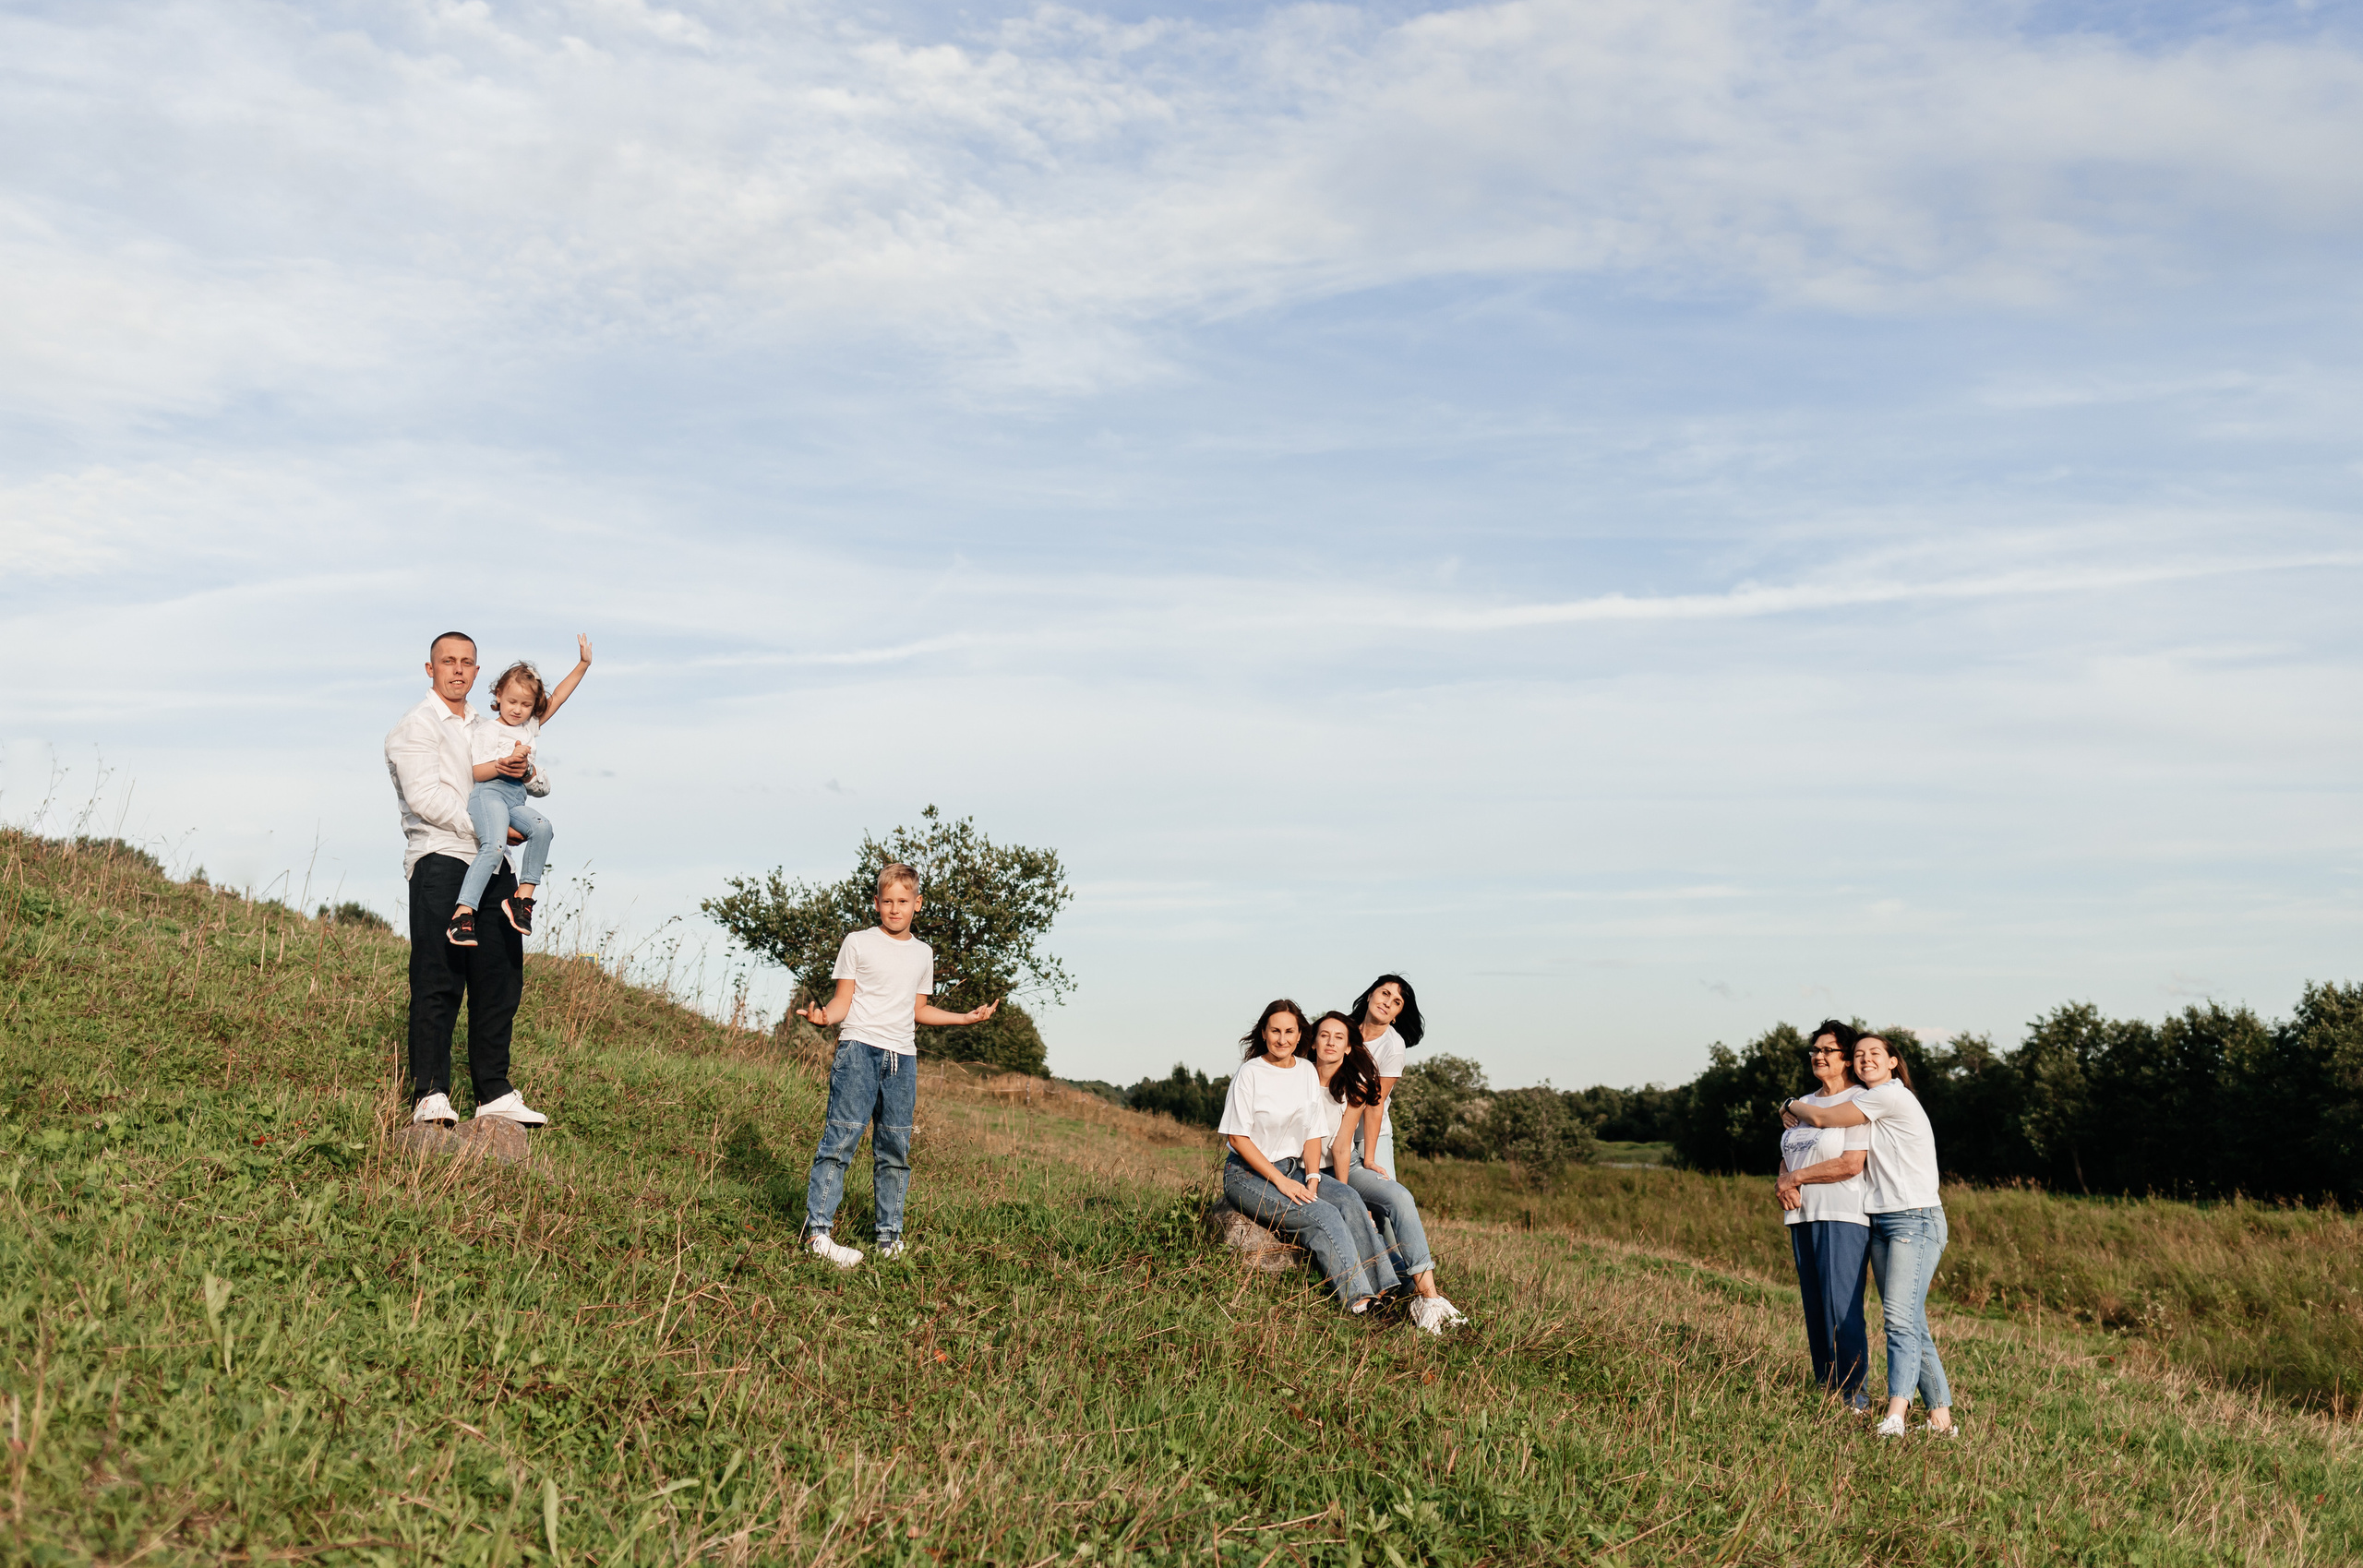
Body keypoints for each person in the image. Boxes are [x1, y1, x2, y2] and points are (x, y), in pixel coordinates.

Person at [794, 862, 1000, 1268]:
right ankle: (817, 1233)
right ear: (877, 903)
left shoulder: (923, 953)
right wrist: (825, 1018)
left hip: (902, 1059)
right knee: (842, 1140)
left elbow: (918, 1009)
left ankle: (889, 1239)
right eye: (887, 901)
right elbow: (843, 1000)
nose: (894, 908)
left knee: (895, 1149)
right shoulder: (858, 942)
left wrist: (964, 1018)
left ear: (917, 903)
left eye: (903, 901)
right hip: (859, 1050)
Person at [383, 631, 549, 1129]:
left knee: (501, 976)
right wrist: (495, 830)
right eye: (448, 661)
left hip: (493, 863)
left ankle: (493, 1091)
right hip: (440, 856)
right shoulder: (414, 726)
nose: (457, 669)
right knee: (439, 975)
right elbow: (426, 800)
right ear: (430, 668)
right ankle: (430, 1092)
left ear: (478, 672)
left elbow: (540, 719)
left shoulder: (487, 725)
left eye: (467, 662)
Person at [1785, 1033, 1959, 1439]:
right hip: (1881, 1219)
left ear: (1893, 1062)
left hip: (1914, 1218)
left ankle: (1896, 1415)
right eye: (1860, 1053)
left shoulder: (1887, 1095)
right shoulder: (1869, 1099)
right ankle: (1941, 1420)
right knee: (1912, 1321)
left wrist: (1788, 1104)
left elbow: (1824, 1120)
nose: (1866, 1059)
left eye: (1874, 1053)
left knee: (1898, 1319)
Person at [1217, 1000, 1391, 1313]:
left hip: (1293, 1168)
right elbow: (1237, 1138)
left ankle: (1384, 1289)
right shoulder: (1250, 1074)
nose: (1282, 1039)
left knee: (1348, 1198)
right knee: (1323, 1215)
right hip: (1246, 1175)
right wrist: (1282, 1182)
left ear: (1300, 1036)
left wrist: (1312, 1177)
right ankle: (1360, 1300)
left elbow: (1313, 1131)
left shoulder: (1306, 1071)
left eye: (1289, 1032)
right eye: (1275, 1031)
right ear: (1264, 1033)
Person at [1307, 1011, 1468, 1334]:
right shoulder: (1300, 1077)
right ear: (1312, 1042)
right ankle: (1397, 1289)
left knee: (1399, 1196)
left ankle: (1429, 1298)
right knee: (1356, 1210)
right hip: (1310, 1169)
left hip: (1346, 1164)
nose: (1331, 1043)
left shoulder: (1355, 1084)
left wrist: (1358, 1173)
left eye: (1339, 1038)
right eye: (1324, 1036)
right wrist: (1347, 1197)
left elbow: (1342, 1146)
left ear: (1349, 1047)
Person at [449, 639, 593, 946]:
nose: (518, 710)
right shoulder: (487, 729)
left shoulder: (529, 727)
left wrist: (583, 664)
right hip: (489, 794)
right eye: (512, 702)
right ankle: (462, 914)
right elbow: (478, 773)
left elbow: (559, 697)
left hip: (516, 797)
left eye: (526, 705)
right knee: (494, 847)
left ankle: (521, 899)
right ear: (499, 695)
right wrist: (504, 764)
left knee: (543, 828)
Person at [1773, 1020, 1872, 1412]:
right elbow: (1788, 1153)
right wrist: (1784, 1180)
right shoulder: (1802, 1103)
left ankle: (1855, 1397)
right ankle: (1827, 1389)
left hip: (1842, 1214)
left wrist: (1796, 1178)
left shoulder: (1858, 1101)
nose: (1818, 1055)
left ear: (1846, 1058)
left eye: (1828, 1050)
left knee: (1840, 1307)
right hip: (1802, 1215)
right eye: (1814, 1049)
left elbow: (1850, 1164)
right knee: (1815, 1307)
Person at [1346, 974, 1422, 1176]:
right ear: (1370, 995)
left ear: (1397, 1014)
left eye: (1396, 1002)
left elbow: (1376, 1103)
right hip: (1332, 1130)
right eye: (1385, 994)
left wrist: (1369, 1159)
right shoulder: (1343, 1030)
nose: (1388, 1003)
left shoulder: (1393, 1046)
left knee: (1386, 1189)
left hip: (1369, 1135)